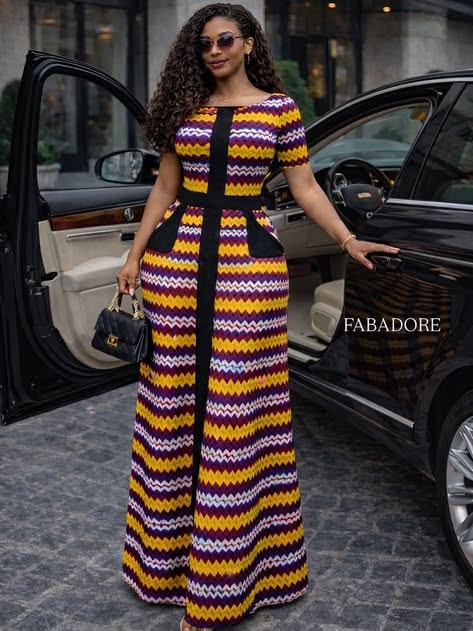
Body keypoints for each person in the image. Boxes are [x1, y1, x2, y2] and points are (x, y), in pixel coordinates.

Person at [117, 4, 399, 630]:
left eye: (224, 40)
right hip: (174, 264)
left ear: (248, 43)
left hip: (248, 267)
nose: (214, 51)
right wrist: (133, 257)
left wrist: (347, 239)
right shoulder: (185, 108)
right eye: (203, 44)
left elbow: (305, 186)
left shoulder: (279, 110)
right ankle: (164, 570)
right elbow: (163, 189)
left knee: (237, 411)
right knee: (172, 406)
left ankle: (224, 581)